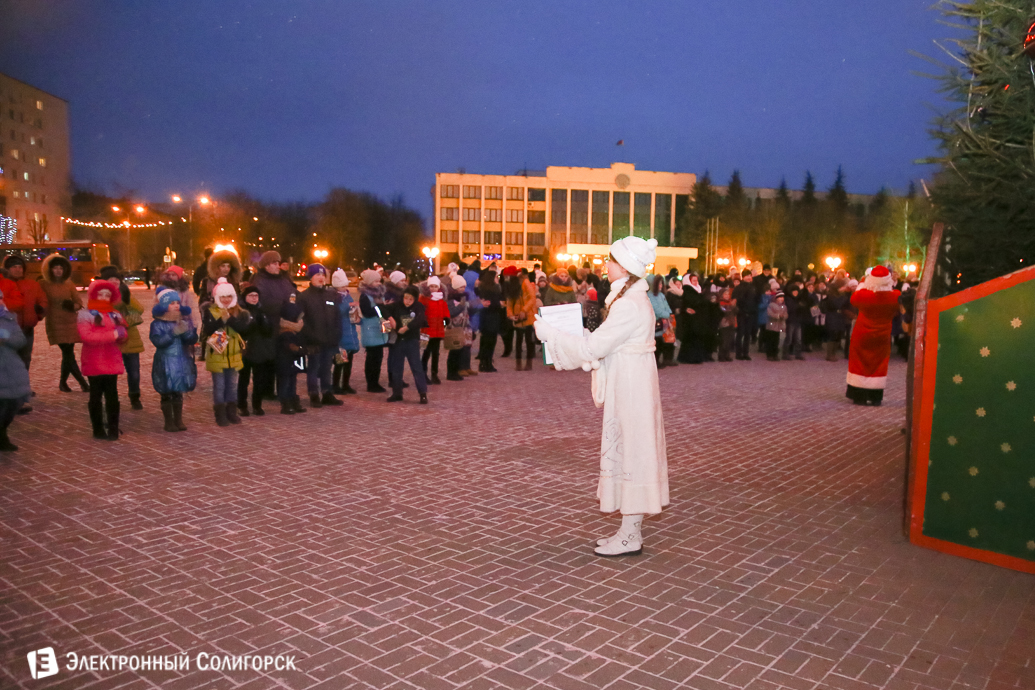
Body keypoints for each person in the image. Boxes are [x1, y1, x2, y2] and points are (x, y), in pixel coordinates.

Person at [533, 236, 668, 557]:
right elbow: (601, 342)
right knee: (630, 451)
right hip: (630, 381)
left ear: (623, 267)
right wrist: (569, 334)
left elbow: (594, 348)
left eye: (609, 260)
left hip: (631, 388)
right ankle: (628, 530)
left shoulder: (628, 305)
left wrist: (551, 334)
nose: (605, 265)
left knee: (633, 451)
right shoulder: (629, 300)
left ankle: (630, 534)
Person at [78, 280, 129, 440]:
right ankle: (98, 428)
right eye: (101, 294)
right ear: (94, 294)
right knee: (96, 395)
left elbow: (123, 333)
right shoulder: (86, 315)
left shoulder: (114, 314)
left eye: (108, 295)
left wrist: (122, 335)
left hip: (111, 358)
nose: (104, 298)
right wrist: (112, 335)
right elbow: (87, 336)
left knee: (112, 394)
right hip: (94, 359)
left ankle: (113, 428)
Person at [846, 266, 901, 406]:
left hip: (862, 333)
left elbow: (854, 299)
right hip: (883, 334)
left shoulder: (864, 296)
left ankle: (859, 395)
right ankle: (875, 396)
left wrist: (864, 283)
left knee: (859, 362)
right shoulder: (895, 296)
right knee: (879, 363)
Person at [201, 277, 252, 426]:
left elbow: (243, 329)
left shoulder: (239, 312)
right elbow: (209, 330)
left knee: (232, 385)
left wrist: (229, 319)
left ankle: (232, 412)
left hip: (234, 355)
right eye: (222, 296)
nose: (226, 299)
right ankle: (220, 414)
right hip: (217, 354)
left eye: (229, 296)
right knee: (219, 386)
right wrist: (221, 320)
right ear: (217, 297)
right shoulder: (211, 311)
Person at [149, 289, 198, 432]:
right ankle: (168, 421)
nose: (176, 306)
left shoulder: (182, 320)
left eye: (177, 303)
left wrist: (190, 332)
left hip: (181, 360)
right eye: (172, 303)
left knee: (178, 390)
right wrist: (173, 333)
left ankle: (178, 419)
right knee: (166, 390)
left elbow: (191, 340)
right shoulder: (157, 324)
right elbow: (158, 341)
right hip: (165, 361)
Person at [40, 254, 89, 392]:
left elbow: (79, 302)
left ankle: (63, 383)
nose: (58, 271)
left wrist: (73, 306)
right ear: (49, 269)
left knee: (68, 354)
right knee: (68, 353)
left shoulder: (69, 284)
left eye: (61, 268)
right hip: (55, 322)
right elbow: (40, 301)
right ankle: (83, 383)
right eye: (55, 268)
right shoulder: (44, 284)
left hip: (70, 321)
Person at [100, 266, 146, 410]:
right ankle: (110, 398)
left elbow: (140, 309)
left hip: (130, 338)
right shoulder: (102, 296)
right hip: (112, 339)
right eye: (111, 279)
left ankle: (135, 396)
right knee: (111, 372)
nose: (114, 282)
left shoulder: (125, 293)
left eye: (116, 279)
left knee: (134, 372)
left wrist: (126, 296)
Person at [297, 263, 343, 408]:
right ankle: (313, 393)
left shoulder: (331, 295)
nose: (321, 278)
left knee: (327, 367)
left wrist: (337, 335)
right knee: (314, 367)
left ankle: (327, 392)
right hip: (313, 340)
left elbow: (337, 316)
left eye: (323, 275)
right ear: (310, 277)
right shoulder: (304, 297)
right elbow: (302, 320)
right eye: (317, 275)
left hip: (329, 340)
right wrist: (309, 336)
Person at [3, 255, 46, 381]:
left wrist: (40, 312)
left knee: (25, 358)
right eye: (14, 267)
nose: (18, 270)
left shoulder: (32, 284)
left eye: (20, 267)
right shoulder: (3, 284)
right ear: (7, 269)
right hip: (8, 329)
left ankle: (22, 385)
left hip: (27, 328)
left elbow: (43, 300)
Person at [384, 285, 429, 403]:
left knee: (416, 367)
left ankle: (422, 393)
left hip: (411, 340)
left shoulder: (419, 307)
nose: (407, 301)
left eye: (410, 299)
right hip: (398, 341)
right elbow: (381, 308)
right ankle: (397, 392)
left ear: (415, 299)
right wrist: (390, 319)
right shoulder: (397, 305)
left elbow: (420, 320)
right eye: (406, 298)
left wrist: (407, 327)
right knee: (396, 367)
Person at [0, 286, 30, 451]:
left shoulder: (9, 319)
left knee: (14, 401)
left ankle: (2, 431)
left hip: (10, 366)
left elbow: (20, 340)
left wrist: (5, 337)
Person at [237, 285, 275, 416]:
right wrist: (251, 325)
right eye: (251, 296)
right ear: (245, 297)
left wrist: (264, 324)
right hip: (245, 350)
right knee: (244, 379)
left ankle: (257, 405)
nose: (254, 298)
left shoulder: (262, 310)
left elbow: (269, 330)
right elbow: (240, 329)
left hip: (259, 349)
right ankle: (241, 405)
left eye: (256, 296)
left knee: (259, 380)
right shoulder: (241, 310)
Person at [358, 269, 389, 392]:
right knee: (372, 358)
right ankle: (371, 383)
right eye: (375, 281)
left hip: (379, 330)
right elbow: (367, 312)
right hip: (370, 330)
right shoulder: (365, 296)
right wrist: (380, 307)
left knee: (378, 357)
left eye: (379, 281)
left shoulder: (378, 295)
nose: (378, 283)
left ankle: (375, 381)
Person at [276, 295, 307, 414]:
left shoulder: (295, 332)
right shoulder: (285, 333)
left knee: (292, 381)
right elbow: (289, 347)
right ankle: (285, 402)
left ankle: (293, 399)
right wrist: (300, 349)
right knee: (285, 382)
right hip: (285, 362)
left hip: (293, 362)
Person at [331, 269, 360, 395]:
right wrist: (348, 309)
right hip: (340, 334)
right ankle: (336, 385)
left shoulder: (348, 296)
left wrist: (357, 315)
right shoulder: (335, 298)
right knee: (340, 362)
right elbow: (335, 314)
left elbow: (353, 314)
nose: (345, 287)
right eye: (342, 285)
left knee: (349, 362)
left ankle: (345, 384)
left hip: (350, 333)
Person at [420, 275, 450, 385]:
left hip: (438, 330)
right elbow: (420, 311)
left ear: (439, 287)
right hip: (426, 330)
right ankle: (422, 373)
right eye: (431, 286)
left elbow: (445, 311)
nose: (433, 288)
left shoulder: (441, 300)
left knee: (436, 353)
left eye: (435, 286)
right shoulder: (424, 299)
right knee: (426, 351)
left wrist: (446, 320)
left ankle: (434, 373)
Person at [505, 270, 536, 371]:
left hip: (528, 315)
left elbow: (532, 298)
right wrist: (510, 315)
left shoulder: (526, 283)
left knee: (528, 340)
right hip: (518, 316)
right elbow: (509, 303)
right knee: (518, 340)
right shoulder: (511, 286)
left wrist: (524, 310)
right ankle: (518, 363)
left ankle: (529, 362)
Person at [476, 269, 502, 373]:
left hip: (484, 317)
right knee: (491, 341)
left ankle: (483, 362)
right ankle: (488, 363)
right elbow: (495, 304)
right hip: (492, 318)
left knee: (484, 341)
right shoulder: (494, 289)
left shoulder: (481, 288)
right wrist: (500, 305)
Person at [446, 275, 471, 380]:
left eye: (464, 287)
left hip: (463, 328)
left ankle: (457, 370)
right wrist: (461, 306)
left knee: (460, 350)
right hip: (454, 328)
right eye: (460, 287)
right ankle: (451, 373)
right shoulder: (450, 300)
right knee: (454, 351)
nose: (462, 289)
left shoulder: (464, 298)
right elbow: (451, 313)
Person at [647, 275, 673, 369]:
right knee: (656, 342)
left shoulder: (661, 295)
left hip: (663, 322)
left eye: (662, 283)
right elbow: (656, 309)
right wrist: (667, 315)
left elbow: (666, 305)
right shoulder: (650, 295)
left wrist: (669, 313)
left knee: (662, 341)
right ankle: (656, 361)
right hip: (656, 321)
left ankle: (662, 359)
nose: (661, 285)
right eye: (659, 283)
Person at [731, 272, 756, 361]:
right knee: (740, 333)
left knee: (747, 334)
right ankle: (738, 353)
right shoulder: (739, 288)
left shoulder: (753, 287)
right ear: (743, 277)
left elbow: (754, 300)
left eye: (750, 276)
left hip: (751, 313)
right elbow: (734, 300)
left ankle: (745, 353)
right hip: (741, 313)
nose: (749, 278)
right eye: (747, 276)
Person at [764, 291, 787, 361]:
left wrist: (784, 316)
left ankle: (775, 354)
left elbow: (786, 314)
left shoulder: (784, 306)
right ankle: (769, 354)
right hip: (771, 324)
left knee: (776, 340)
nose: (781, 299)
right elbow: (769, 313)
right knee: (771, 339)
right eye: (780, 297)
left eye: (782, 298)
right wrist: (777, 315)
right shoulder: (771, 305)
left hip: (778, 325)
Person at [717, 287, 737, 362]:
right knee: (724, 340)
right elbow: (725, 311)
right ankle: (721, 355)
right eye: (725, 294)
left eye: (728, 294)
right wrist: (732, 305)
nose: (727, 296)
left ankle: (727, 355)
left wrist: (734, 306)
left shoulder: (730, 302)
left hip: (732, 322)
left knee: (729, 339)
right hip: (724, 323)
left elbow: (736, 311)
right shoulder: (721, 303)